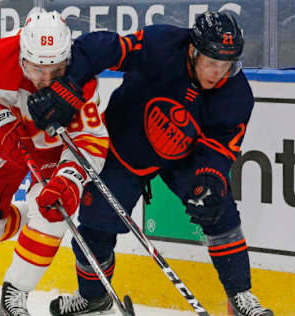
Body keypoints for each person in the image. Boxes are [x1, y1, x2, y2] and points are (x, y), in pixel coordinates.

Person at [33, 11, 274, 316]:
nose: (217, 73)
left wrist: (210, 179)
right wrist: (67, 86)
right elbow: (100, 49)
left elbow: (220, 147)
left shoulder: (237, 95)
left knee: (220, 208)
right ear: (192, 50)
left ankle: (240, 298)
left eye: (226, 65)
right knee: (94, 229)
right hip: (124, 146)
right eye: (211, 63)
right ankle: (94, 298)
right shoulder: (162, 45)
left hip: (184, 159)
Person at [0, 10, 109, 316]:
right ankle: (28, 213)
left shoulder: (83, 81)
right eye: (37, 69)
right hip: (5, 141)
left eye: (56, 70)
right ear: (22, 55)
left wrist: (69, 178)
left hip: (52, 151)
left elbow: (93, 140)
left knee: (53, 208)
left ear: (68, 61)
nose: (45, 81)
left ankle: (14, 297)